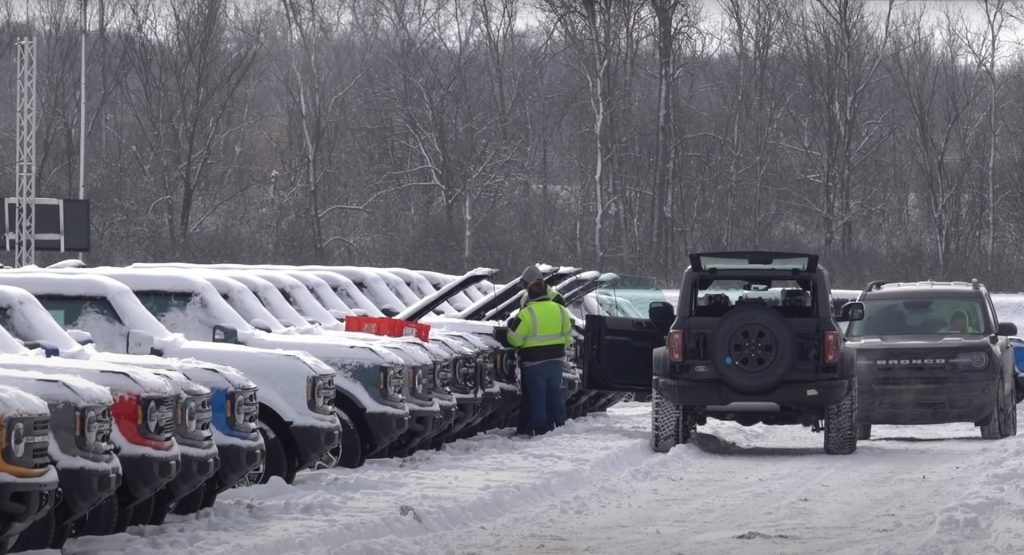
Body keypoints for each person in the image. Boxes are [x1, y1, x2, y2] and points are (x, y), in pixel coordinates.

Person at [507, 265, 572, 436]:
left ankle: (540, 428)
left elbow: (514, 339)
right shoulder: (560, 309)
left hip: (534, 362)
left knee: (536, 397)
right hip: (557, 359)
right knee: (554, 395)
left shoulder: (526, 313)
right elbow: (567, 334)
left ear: (529, 293)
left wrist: (511, 329)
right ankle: (558, 426)